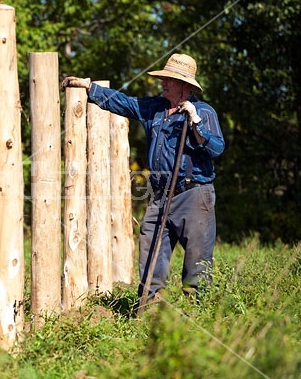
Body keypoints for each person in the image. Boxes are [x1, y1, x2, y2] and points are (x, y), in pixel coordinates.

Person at [61, 53, 225, 301]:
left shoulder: (203, 111)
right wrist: (90, 88)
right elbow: (124, 103)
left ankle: (198, 317)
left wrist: (196, 123)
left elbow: (216, 149)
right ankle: (150, 309)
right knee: (150, 251)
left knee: (197, 265)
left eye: (170, 79)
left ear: (185, 86)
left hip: (194, 194)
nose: (164, 83)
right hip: (161, 196)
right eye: (165, 78)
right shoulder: (155, 109)